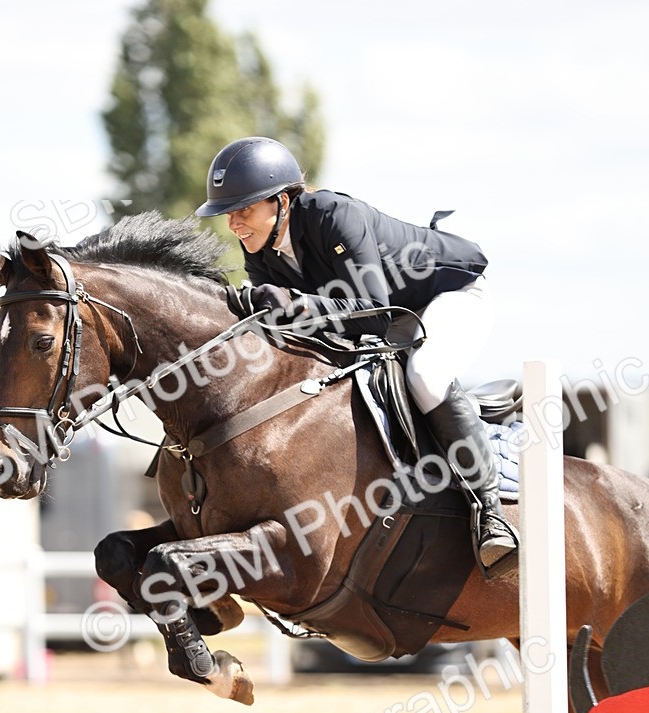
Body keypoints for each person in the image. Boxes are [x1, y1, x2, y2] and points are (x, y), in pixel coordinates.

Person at [195, 136, 518, 576]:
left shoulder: (333, 216)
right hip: (389, 312)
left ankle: (490, 512)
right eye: (229, 213)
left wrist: (296, 305)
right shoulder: (261, 249)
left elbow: (370, 315)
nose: (234, 224)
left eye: (243, 210)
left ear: (281, 201)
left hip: (447, 297)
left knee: (424, 376)